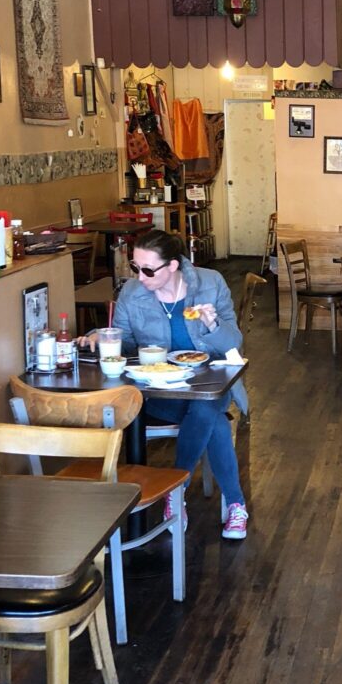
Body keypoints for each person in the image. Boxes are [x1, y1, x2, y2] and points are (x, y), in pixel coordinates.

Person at [78, 228, 250, 540]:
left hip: (210, 385)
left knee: (207, 406)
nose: (139, 277)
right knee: (212, 419)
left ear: (172, 265)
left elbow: (233, 343)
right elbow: (123, 341)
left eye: (148, 270)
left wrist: (212, 323)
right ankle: (235, 504)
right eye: (135, 267)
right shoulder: (133, 293)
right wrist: (97, 337)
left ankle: (175, 490)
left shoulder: (210, 283)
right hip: (157, 391)